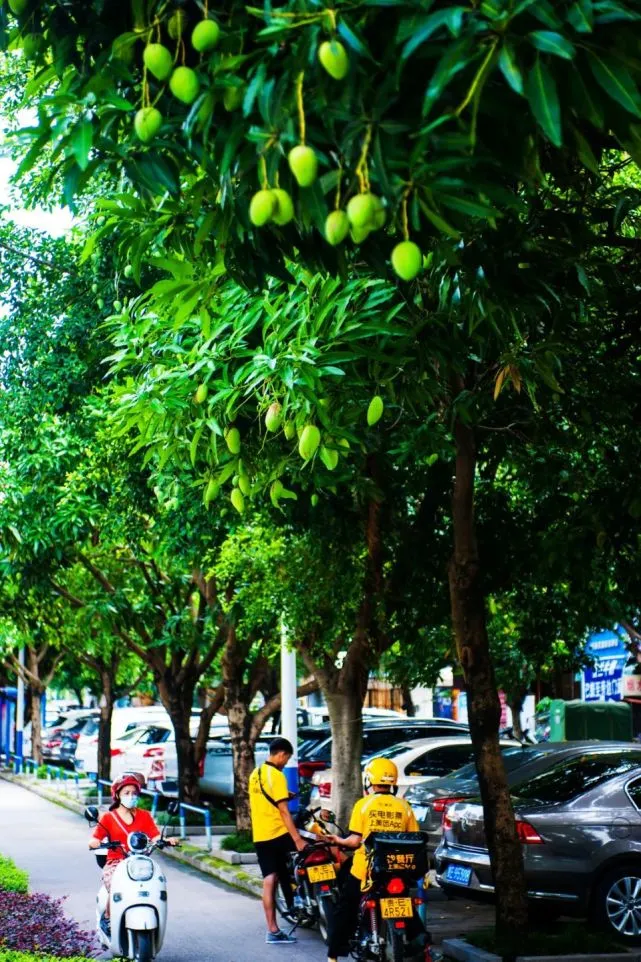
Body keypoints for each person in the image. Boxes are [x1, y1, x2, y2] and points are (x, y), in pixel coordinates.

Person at [324, 757, 421, 962]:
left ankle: (333, 955)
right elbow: (414, 839)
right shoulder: (404, 807)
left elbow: (354, 841)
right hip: (398, 868)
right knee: (408, 907)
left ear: (369, 780)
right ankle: (424, 946)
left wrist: (338, 840)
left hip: (366, 870)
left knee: (346, 908)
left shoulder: (364, 805)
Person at [88, 773, 178, 938]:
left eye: (134, 793)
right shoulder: (108, 817)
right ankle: (108, 918)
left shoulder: (144, 815)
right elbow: (96, 837)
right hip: (116, 862)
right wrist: (94, 842)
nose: (131, 796)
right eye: (126, 793)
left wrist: (166, 841)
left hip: (141, 863)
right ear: (117, 795)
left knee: (159, 882)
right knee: (115, 883)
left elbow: (155, 836)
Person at [249, 737, 307, 945]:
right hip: (278, 833)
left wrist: (285, 796)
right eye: (287, 758)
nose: (285, 762)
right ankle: (302, 899)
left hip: (260, 835)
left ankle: (272, 930)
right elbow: (283, 811)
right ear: (281, 754)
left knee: (269, 880)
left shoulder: (255, 774)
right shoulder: (277, 776)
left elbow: (266, 800)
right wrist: (298, 838)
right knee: (313, 853)